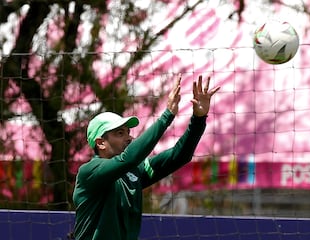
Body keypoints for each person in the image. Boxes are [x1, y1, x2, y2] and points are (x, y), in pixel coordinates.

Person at [72, 74, 220, 240]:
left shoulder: (133, 172)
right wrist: (167, 115)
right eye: (120, 133)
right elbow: (130, 158)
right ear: (101, 143)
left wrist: (198, 119)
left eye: (128, 132)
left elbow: (179, 156)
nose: (129, 138)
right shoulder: (89, 171)